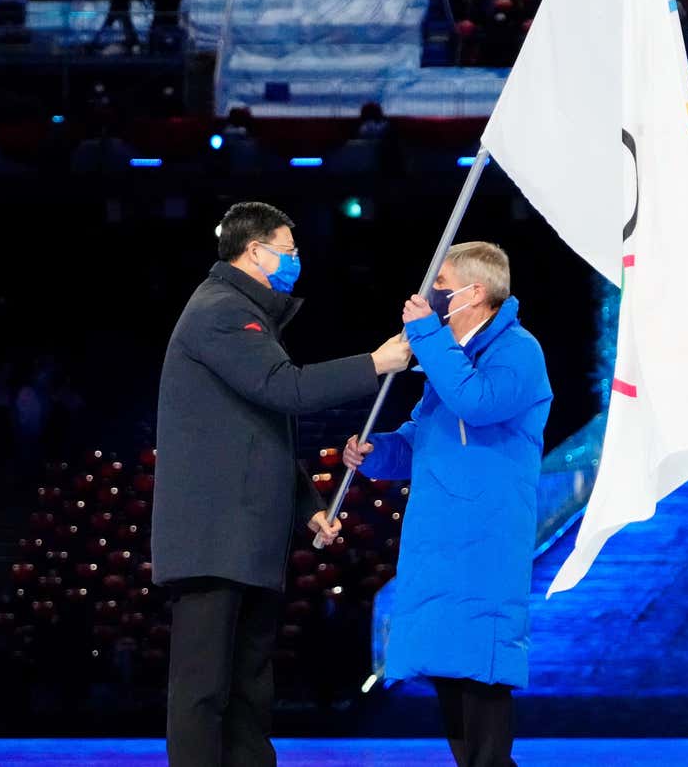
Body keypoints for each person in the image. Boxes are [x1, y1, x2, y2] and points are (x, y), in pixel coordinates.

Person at [154, 202, 411, 767]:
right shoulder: (222, 311)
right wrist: (375, 362)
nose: (296, 261)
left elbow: (259, 432)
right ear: (254, 252)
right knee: (203, 688)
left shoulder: (244, 313)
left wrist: (307, 508)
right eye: (288, 252)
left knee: (249, 687)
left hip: (243, 538)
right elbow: (284, 389)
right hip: (213, 540)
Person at [343, 241, 552, 767]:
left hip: (485, 533)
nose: (430, 293)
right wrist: (376, 454)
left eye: (442, 284)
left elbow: (478, 404)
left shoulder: (518, 351)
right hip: (439, 535)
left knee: (481, 669)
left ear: (474, 293)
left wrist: (428, 338)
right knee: (450, 668)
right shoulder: (449, 358)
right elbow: (423, 439)